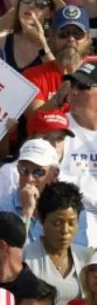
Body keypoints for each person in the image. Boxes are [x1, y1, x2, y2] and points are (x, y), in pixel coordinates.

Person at [0, 139, 88, 245]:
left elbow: (76, 254)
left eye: (38, 172)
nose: (29, 178)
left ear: (54, 175)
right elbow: (10, 257)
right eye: (23, 170)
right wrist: (26, 213)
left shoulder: (70, 209)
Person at [23, 181, 88, 305]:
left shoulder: (87, 258)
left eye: (71, 223)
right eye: (57, 223)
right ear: (42, 219)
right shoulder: (25, 257)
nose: (65, 231)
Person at [24, 6, 91, 114]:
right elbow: (33, 120)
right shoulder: (33, 76)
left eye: (77, 34)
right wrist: (57, 99)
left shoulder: (94, 73)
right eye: (64, 33)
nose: (71, 39)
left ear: (88, 39)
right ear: (52, 37)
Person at [59, 62, 97, 245]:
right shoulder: (56, 128)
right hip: (72, 215)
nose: (74, 92)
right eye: (72, 86)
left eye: (83, 87)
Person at [0, 0, 65, 73]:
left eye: (41, 3)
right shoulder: (2, 42)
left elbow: (60, 81)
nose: (31, 5)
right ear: (20, 2)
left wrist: (42, 47)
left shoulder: (57, 46)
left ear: (49, 13)